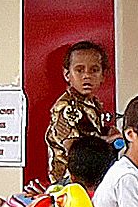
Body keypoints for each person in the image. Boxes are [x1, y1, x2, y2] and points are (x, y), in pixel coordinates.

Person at [42, 40, 116, 172]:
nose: (87, 76)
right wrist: (108, 141)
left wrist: (108, 131)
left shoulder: (93, 103)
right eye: (79, 70)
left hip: (91, 173)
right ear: (67, 74)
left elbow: (88, 132)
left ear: (103, 75)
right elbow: (74, 148)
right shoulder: (66, 107)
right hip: (69, 179)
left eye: (94, 70)